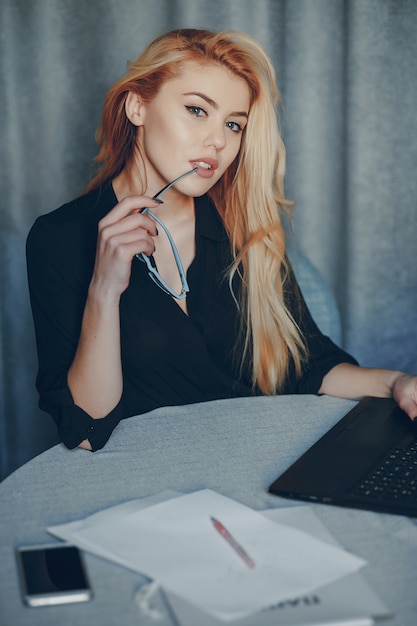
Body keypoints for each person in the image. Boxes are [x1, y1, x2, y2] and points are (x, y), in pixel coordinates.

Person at [26, 28, 417, 452]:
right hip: (140, 489)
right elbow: (86, 430)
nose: (218, 141)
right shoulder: (59, 239)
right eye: (197, 110)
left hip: (256, 468)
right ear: (137, 106)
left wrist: (397, 382)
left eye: (234, 124)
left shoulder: (243, 229)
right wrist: (104, 290)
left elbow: (308, 369)